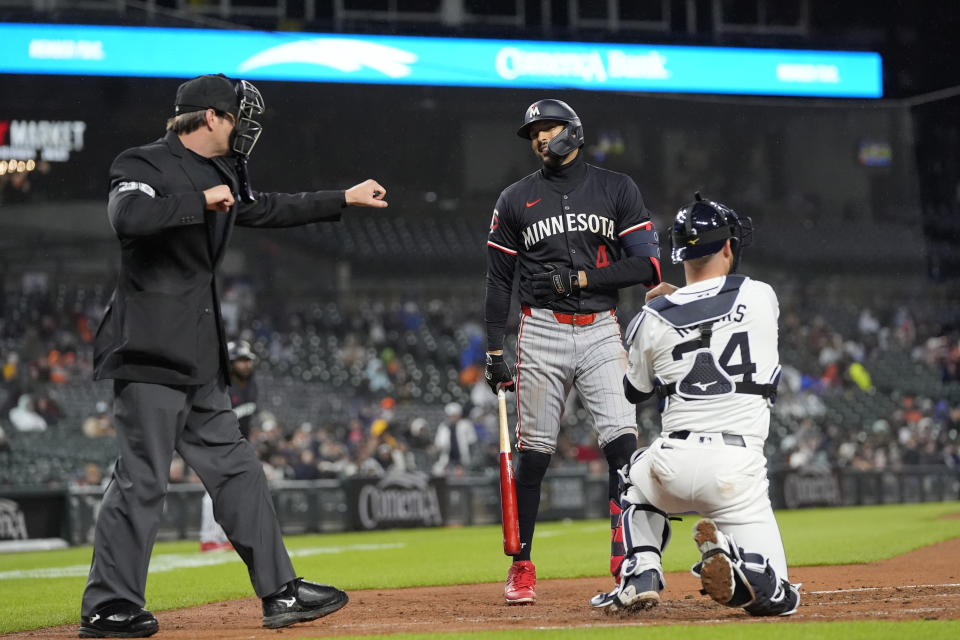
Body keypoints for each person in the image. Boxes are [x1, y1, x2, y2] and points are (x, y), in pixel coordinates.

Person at [80, 73, 388, 638]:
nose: (249, 129)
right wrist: (196, 202)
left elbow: (266, 208)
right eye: (241, 117)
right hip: (148, 349)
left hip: (200, 356)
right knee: (142, 479)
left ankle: (281, 593)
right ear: (210, 117)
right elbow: (126, 219)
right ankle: (110, 606)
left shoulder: (222, 173)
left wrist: (340, 198)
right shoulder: (142, 163)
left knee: (240, 472)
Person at [483, 99, 661, 604]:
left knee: (623, 447)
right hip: (540, 331)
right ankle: (522, 565)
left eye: (548, 127)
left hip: (602, 326)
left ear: (573, 130)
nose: (540, 138)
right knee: (534, 458)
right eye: (533, 132)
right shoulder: (516, 198)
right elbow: (497, 281)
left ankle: (624, 545)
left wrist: (584, 277)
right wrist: (495, 348)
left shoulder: (616, 187)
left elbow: (647, 267)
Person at [592, 193, 799, 617]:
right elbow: (714, 306)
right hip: (735, 471)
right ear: (728, 247)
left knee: (631, 479)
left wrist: (661, 308)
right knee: (780, 598)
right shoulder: (762, 297)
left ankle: (641, 570)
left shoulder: (651, 318)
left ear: (679, 254)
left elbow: (635, 392)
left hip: (672, 461)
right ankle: (743, 573)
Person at [199, 339, 258, 552]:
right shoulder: (220, 386)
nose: (245, 365)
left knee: (236, 493)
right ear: (230, 363)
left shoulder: (251, 386)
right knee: (214, 492)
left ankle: (224, 538)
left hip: (238, 446)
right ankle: (208, 539)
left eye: (247, 360)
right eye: (240, 360)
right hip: (216, 445)